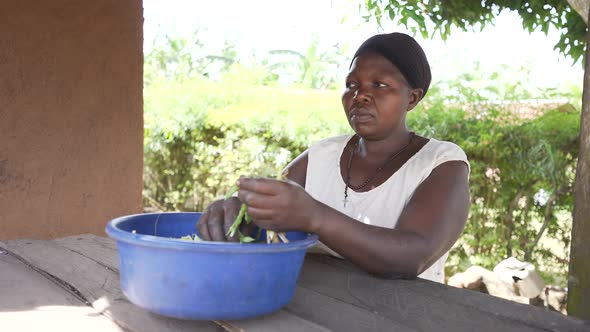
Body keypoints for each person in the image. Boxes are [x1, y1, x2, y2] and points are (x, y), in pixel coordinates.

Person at [197, 32, 470, 283]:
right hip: (315, 308)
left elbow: (412, 256)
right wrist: (235, 210)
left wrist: (315, 217)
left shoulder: (441, 163)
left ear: (412, 98)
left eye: (379, 84)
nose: (360, 95)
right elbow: (265, 209)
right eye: (351, 84)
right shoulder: (322, 155)